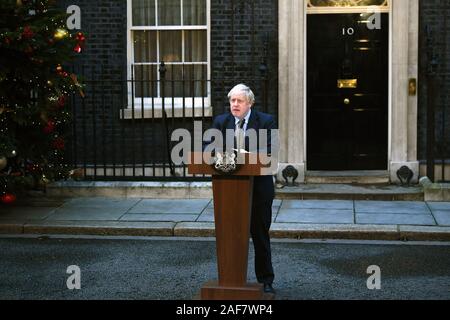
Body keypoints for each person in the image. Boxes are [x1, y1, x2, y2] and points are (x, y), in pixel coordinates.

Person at [209, 84, 276, 294]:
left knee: (259, 236)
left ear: (250, 103)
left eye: (239, 101)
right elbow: (207, 148)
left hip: (258, 191)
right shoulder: (221, 122)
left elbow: (270, 152)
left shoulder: (265, 121)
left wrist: (245, 154)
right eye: (232, 101)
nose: (234, 105)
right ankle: (231, 281)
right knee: (230, 236)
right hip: (229, 191)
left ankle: (265, 280)